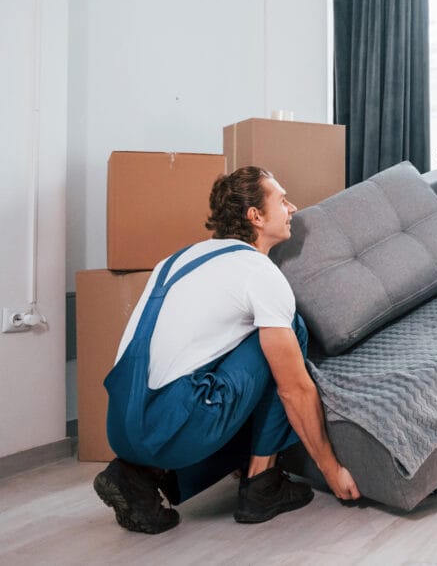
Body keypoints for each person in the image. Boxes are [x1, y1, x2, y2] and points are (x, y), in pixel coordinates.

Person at [93, 166, 359, 534]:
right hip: (171, 428)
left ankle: (137, 475)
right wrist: (333, 470)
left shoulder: (178, 259)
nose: (293, 207)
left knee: (240, 353)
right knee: (287, 333)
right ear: (255, 216)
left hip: (120, 428)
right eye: (282, 200)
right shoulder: (258, 273)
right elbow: (294, 389)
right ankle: (262, 486)